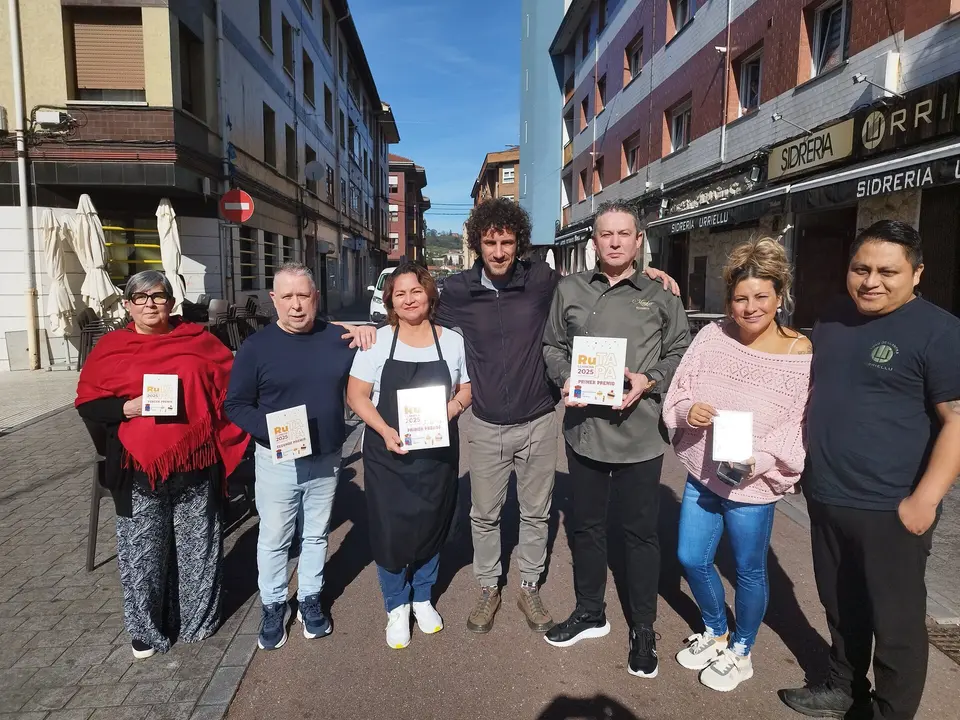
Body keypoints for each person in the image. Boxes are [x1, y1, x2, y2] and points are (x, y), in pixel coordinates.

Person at [435, 198, 678, 634]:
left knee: (536, 512)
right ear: (477, 244)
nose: (498, 251)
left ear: (519, 244)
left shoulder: (544, 280)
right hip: (487, 422)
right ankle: (489, 586)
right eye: (489, 242)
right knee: (484, 514)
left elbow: (595, 292)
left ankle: (528, 585)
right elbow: (411, 312)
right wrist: (366, 332)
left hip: (539, 419)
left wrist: (652, 276)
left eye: (507, 242)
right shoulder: (455, 290)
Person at [781, 221, 960, 720]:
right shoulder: (835, 318)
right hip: (827, 495)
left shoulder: (940, 332)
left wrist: (923, 500)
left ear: (917, 274)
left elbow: (957, 423)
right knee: (841, 607)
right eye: (861, 268)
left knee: (897, 626)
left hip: (892, 509)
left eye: (888, 271)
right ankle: (844, 688)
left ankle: (889, 712)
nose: (871, 281)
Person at [541, 199, 690, 678]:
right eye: (606, 234)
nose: (615, 242)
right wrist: (566, 378)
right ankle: (591, 611)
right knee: (585, 526)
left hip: (640, 435)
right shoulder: (570, 289)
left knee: (640, 533)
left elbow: (680, 351)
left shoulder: (662, 295)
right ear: (594, 241)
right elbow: (552, 345)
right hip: (584, 432)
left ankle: (643, 626)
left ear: (639, 240)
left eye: (624, 234)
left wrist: (648, 379)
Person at [662, 238, 812, 692]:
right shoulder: (711, 337)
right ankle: (716, 627)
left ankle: (742, 648)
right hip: (705, 474)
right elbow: (680, 392)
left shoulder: (798, 352)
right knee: (691, 555)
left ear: (780, 296)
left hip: (753, 485)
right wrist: (691, 412)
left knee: (749, 569)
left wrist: (762, 460)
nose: (750, 308)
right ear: (729, 299)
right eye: (741, 298)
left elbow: (798, 425)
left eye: (761, 297)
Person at [75, 271, 249, 659]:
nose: (150, 304)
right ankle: (145, 630)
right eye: (140, 297)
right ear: (127, 305)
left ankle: (197, 621)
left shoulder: (200, 342)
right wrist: (126, 408)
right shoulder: (111, 347)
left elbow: (231, 391)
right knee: (142, 553)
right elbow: (87, 402)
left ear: (171, 302)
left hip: (195, 463)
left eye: (159, 296)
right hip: (136, 469)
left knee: (197, 550)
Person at [224, 262, 375, 651]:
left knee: (316, 534)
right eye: (287, 296)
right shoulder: (256, 348)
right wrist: (272, 432)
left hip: (326, 456)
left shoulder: (336, 339)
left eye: (303, 296)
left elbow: (372, 358)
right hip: (277, 460)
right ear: (274, 300)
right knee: (274, 538)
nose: (295, 305)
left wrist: (364, 329)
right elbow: (235, 405)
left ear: (316, 298)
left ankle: (310, 598)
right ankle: (274, 604)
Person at [346, 263, 472, 649]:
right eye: (399, 294)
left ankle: (422, 596)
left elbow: (465, 389)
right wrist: (384, 431)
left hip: (436, 453)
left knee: (433, 522)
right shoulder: (378, 342)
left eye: (415, 291)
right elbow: (356, 396)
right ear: (391, 302)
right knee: (389, 529)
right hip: (389, 454)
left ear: (429, 294)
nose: (408, 299)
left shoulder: (451, 341)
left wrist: (449, 411)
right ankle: (396, 605)